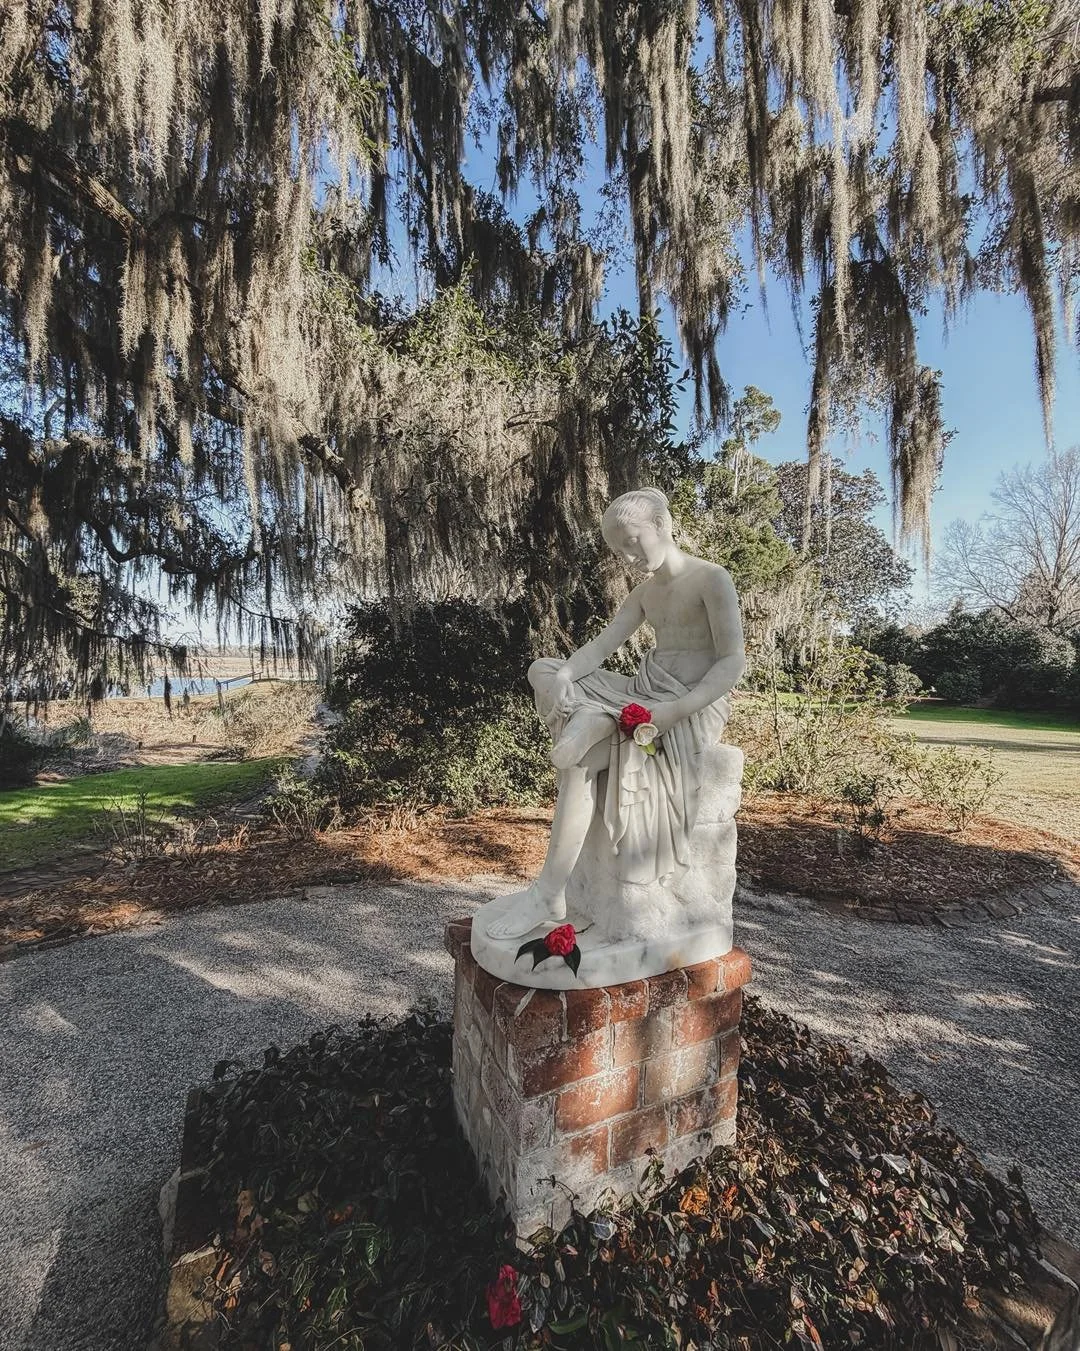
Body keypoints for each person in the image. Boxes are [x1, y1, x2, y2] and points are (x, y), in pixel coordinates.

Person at [486, 487, 746, 941]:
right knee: (542, 668)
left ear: (662, 526)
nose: (628, 556)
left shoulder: (711, 579)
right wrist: (566, 673)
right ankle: (595, 717)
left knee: (581, 762)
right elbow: (603, 646)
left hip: (688, 705)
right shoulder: (646, 594)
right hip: (644, 691)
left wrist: (672, 710)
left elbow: (731, 662)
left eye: (633, 541)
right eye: (619, 550)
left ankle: (549, 892)